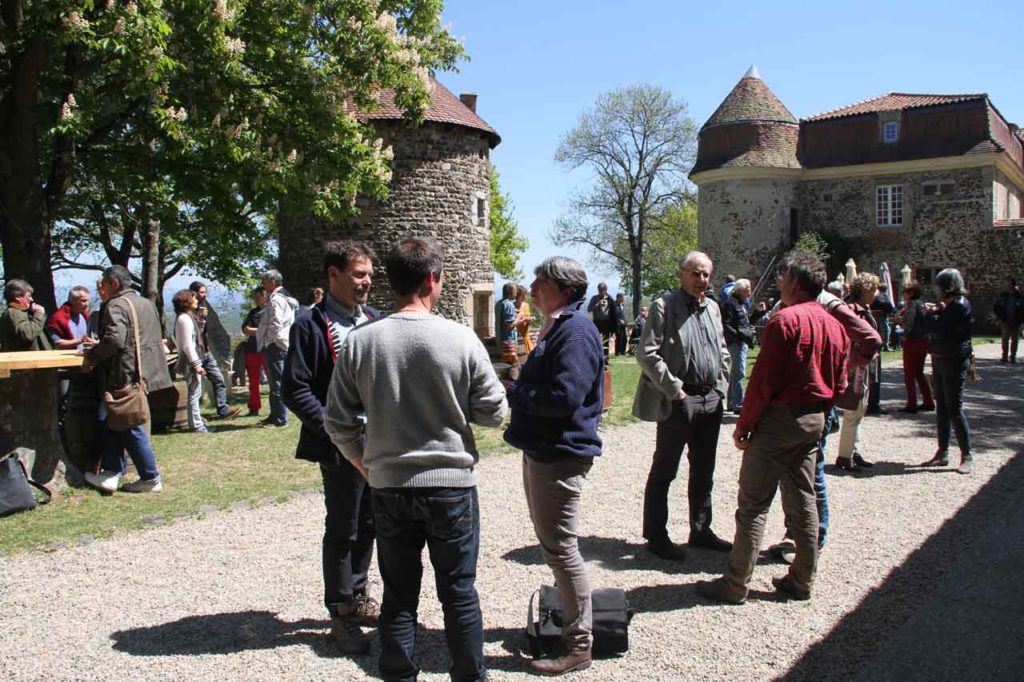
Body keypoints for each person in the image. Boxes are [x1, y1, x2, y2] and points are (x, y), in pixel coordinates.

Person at [325, 238, 507, 681]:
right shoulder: (461, 339)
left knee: (399, 595)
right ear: (431, 279)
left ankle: (399, 674)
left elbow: (337, 421)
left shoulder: (361, 342)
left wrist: (364, 465)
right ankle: (468, 674)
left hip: (389, 486)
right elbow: (494, 412)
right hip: (451, 485)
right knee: (459, 591)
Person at [696, 252, 849, 604]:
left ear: (795, 282)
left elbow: (762, 382)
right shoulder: (835, 325)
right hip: (814, 420)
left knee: (753, 504)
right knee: (803, 500)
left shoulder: (785, 322)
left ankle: (735, 583)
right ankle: (802, 580)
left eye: (782, 276)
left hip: (780, 420)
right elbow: (840, 382)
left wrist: (744, 426)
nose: (779, 281)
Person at [504, 256, 604, 676]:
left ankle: (579, 644)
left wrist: (515, 390)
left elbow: (563, 397)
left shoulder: (576, 331)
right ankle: (572, 628)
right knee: (554, 546)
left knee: (562, 549)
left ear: (564, 289)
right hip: (546, 450)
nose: (533, 285)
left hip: (559, 453)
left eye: (540, 280)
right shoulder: (559, 325)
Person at [282, 241, 381, 654]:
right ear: (333, 274)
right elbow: (295, 387)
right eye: (359, 274)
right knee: (343, 525)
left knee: (371, 522)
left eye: (369, 275)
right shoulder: (310, 323)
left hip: (378, 443)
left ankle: (357, 594)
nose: (367, 282)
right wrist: (335, 430)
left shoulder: (375, 320)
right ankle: (339, 612)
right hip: (339, 446)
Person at [633, 251, 732, 560]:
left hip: (710, 399)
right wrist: (676, 391)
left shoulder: (713, 308)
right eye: (696, 273)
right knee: (665, 468)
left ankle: (700, 530)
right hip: (680, 400)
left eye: (706, 275)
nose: (702, 280)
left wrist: (721, 386)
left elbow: (724, 351)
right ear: (682, 273)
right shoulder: (665, 307)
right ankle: (656, 535)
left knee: (704, 470)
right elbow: (646, 353)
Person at [81, 265, 172, 494]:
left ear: (114, 284)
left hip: (125, 373)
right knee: (114, 421)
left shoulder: (116, 305)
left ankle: (150, 477)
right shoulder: (145, 303)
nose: (101, 288)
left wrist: (92, 355)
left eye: (104, 283)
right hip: (144, 372)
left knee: (131, 426)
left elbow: (115, 341)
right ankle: (112, 473)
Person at [919, 268, 974, 474]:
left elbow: (938, 329)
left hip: (953, 359)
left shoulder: (959, 307)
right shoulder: (951, 306)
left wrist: (928, 315)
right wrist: (936, 311)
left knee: (954, 408)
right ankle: (942, 452)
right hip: (941, 357)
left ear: (947, 287)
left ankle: (966, 454)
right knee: (941, 406)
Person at [835, 273, 882, 472]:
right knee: (854, 410)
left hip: (864, 366)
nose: (877, 293)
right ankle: (844, 456)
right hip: (856, 367)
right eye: (874, 290)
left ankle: (854, 451)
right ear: (866, 290)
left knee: (859, 410)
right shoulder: (852, 310)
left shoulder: (864, 309)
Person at [256, 269, 298, 428]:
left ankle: (280, 419)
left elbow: (275, 323)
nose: (263, 286)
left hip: (275, 345)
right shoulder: (285, 297)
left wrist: (269, 341)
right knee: (275, 382)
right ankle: (274, 416)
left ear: (272, 283)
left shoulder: (276, 300)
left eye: (265, 282)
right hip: (281, 343)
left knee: (277, 382)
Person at [721, 279, 765, 414]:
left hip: (742, 341)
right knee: (740, 373)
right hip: (737, 342)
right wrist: (739, 335)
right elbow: (726, 324)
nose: (750, 292)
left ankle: (732, 403)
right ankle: (739, 404)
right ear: (741, 290)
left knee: (736, 372)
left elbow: (746, 323)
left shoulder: (741, 304)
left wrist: (759, 313)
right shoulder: (730, 303)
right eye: (748, 289)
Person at [172, 289, 210, 433]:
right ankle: (196, 424)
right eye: (193, 298)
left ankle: (196, 422)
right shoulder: (184, 319)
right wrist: (197, 365)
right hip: (189, 360)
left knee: (195, 392)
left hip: (190, 359)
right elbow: (188, 344)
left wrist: (200, 319)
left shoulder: (186, 318)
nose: (196, 301)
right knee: (194, 392)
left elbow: (194, 336)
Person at [189, 280, 233, 399]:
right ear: (194, 293)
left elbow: (215, 328)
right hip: (195, 352)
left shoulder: (206, 307)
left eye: (205, 292)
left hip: (207, 352)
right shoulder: (188, 311)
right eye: (202, 292)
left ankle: (223, 409)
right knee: (195, 385)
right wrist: (200, 317)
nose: (205, 295)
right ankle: (197, 412)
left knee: (219, 380)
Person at [895, 282, 934, 413]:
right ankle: (928, 401)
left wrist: (903, 330)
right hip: (923, 340)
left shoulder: (912, 305)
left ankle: (911, 404)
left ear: (910, 293)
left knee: (909, 374)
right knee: (919, 373)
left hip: (913, 341)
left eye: (905, 292)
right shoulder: (922, 304)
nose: (904, 295)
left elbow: (909, 322)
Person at [0, 279, 51, 351]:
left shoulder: (21, 313)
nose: (31, 299)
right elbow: (28, 334)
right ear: (17, 297)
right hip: (26, 360)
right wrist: (39, 314)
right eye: (28, 296)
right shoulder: (13, 313)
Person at [241, 287, 267, 416]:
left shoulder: (271, 311)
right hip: (252, 350)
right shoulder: (253, 312)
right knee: (253, 381)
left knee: (274, 381)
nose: (256, 299)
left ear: (265, 296)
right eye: (255, 297)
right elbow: (245, 329)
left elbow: (273, 329)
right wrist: (262, 331)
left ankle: (278, 408)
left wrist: (255, 330)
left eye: (258, 296)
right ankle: (254, 407)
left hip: (267, 350)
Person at [994, 277, 1023, 363]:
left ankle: (1013, 356)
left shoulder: (1019, 297)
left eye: (1008, 283)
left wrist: (1021, 319)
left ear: (1012, 285)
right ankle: (1004, 356)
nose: (1006, 285)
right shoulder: (1003, 296)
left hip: (1016, 321)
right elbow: (996, 307)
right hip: (1005, 320)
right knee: (1005, 339)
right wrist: (999, 317)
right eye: (1006, 283)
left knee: (1015, 339)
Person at [586, 282, 616, 354]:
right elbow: (589, 309)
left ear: (606, 290)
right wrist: (597, 304)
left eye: (602, 290)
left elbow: (614, 310)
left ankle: (606, 358)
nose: (600, 291)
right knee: (596, 339)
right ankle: (597, 356)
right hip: (597, 322)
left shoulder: (609, 298)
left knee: (606, 341)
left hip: (606, 322)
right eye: (599, 290)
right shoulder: (594, 298)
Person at [498, 282, 519, 366]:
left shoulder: (499, 303)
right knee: (512, 368)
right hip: (509, 342)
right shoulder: (509, 305)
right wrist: (519, 317)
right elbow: (509, 325)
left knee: (504, 368)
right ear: (511, 291)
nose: (516, 292)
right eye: (515, 290)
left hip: (500, 341)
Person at [513, 284, 534, 354]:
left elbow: (528, 321)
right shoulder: (512, 306)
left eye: (525, 294)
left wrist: (530, 319)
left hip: (526, 336)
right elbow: (512, 322)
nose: (525, 297)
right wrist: (524, 320)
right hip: (516, 337)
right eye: (523, 295)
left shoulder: (526, 305)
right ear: (518, 295)